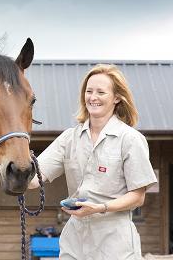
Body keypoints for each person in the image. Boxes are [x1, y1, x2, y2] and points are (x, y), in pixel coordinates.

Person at [28, 64, 157, 259]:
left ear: (117, 98)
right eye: (89, 91)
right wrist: (14, 161)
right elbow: (34, 179)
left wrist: (100, 208)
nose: (93, 97)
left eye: (101, 92)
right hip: (74, 243)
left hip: (115, 245)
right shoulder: (69, 138)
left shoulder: (130, 139)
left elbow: (138, 197)